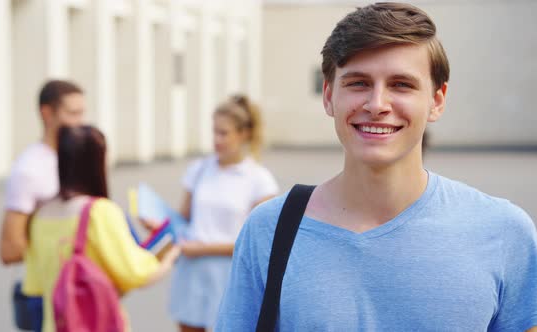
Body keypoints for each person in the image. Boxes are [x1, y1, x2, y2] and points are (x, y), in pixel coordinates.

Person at [216, 3, 537, 331]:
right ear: (329, 96)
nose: (377, 105)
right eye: (358, 83)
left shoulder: (504, 233)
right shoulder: (268, 230)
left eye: (401, 84)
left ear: (437, 100)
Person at [23, 125, 180, 332]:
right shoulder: (100, 212)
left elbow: (35, 285)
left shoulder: (39, 215)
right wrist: (171, 254)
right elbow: (137, 273)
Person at [167, 95, 279, 332]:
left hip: (230, 275)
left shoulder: (260, 181)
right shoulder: (199, 169)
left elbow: (256, 243)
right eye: (214, 132)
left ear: (243, 134)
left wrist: (203, 248)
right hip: (193, 271)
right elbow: (183, 217)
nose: (217, 140)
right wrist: (158, 225)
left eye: (224, 133)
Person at [0, 79, 86, 264]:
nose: (80, 122)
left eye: (82, 114)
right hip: (41, 289)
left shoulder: (83, 159)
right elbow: (9, 249)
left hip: (76, 282)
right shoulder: (29, 169)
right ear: (47, 113)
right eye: (72, 114)